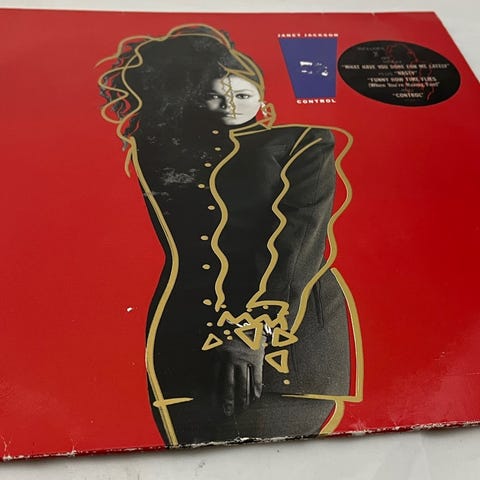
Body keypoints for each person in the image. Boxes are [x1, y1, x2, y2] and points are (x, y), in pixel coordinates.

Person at [98, 24, 360, 447]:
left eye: (241, 92)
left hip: (286, 344)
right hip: (184, 339)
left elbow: (300, 237)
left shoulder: (303, 141)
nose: (231, 103)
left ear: (262, 94)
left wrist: (255, 329)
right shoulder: (163, 152)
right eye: (214, 94)